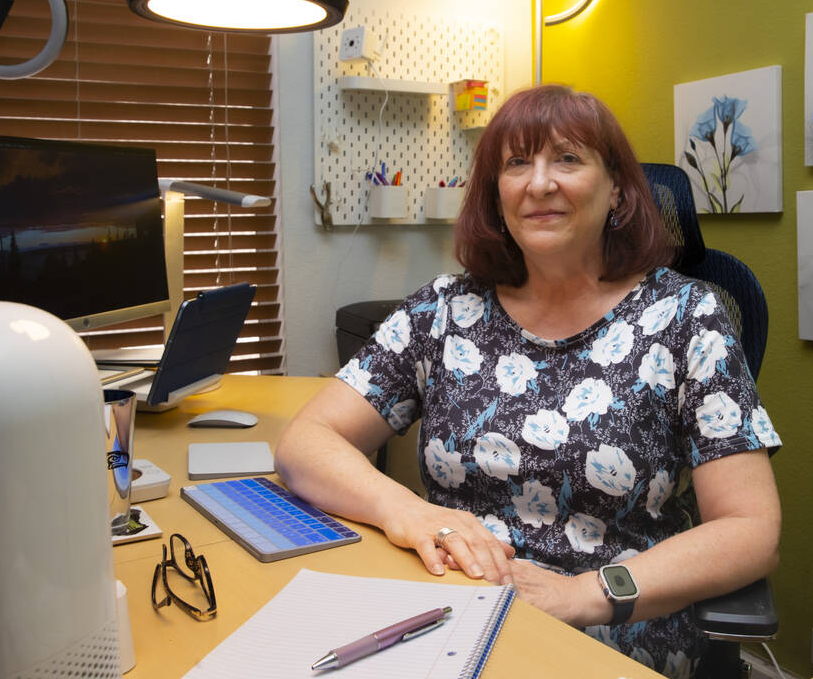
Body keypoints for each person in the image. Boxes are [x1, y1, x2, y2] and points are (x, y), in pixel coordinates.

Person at [275, 84, 781, 678]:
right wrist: (409, 512)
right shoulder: (444, 311)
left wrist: (582, 594)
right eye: (517, 163)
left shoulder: (687, 317)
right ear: (497, 193)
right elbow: (304, 444)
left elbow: (750, 531)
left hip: (607, 630)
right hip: (450, 615)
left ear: (616, 186)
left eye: (567, 158)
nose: (539, 183)